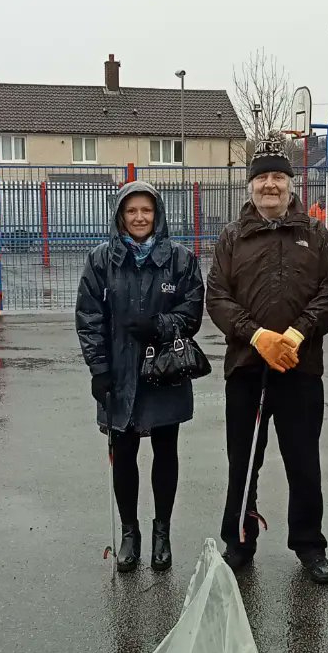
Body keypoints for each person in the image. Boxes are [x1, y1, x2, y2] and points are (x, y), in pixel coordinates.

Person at [206, 136, 328, 585]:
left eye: (278, 177)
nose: (270, 185)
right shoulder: (232, 236)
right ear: (250, 185)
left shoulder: (315, 233)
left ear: (290, 183)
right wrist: (258, 335)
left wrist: (296, 333)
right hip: (247, 367)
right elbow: (217, 297)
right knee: (243, 459)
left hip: (300, 369)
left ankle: (309, 545)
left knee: (303, 461)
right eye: (262, 177)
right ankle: (239, 541)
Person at [75, 181, 204, 574]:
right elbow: (88, 317)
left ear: (158, 213)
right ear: (120, 216)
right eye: (131, 211)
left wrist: (160, 325)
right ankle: (130, 533)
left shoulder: (180, 259)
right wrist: (99, 369)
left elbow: (193, 311)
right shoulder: (101, 260)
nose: (139, 218)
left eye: (146, 210)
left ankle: (161, 532)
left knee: (166, 452)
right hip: (118, 373)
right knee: (125, 454)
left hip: (165, 371)